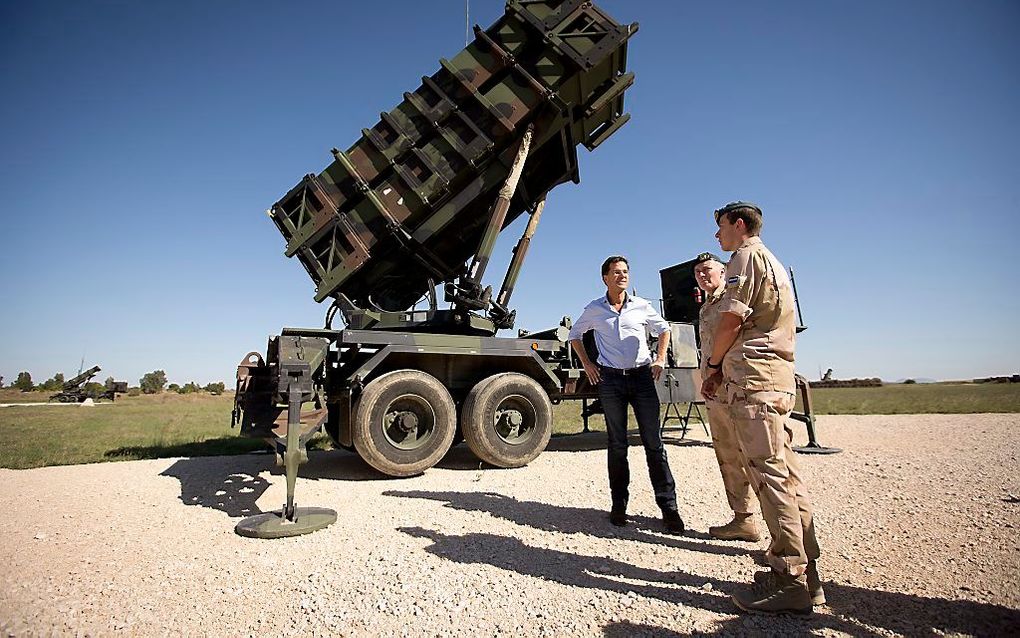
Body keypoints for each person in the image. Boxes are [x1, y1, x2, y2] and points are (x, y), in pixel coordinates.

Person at [700, 202, 823, 614]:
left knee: (769, 478)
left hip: (753, 382)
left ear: (739, 225)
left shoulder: (745, 257)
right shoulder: (772, 261)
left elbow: (731, 320)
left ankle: (788, 578)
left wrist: (714, 366)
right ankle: (810, 576)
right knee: (784, 473)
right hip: (771, 379)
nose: (717, 237)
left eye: (720, 228)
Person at [568, 255, 685, 534]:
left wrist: (659, 358)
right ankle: (618, 505)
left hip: (642, 378)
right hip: (610, 381)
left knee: (654, 444)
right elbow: (574, 335)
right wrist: (587, 363)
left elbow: (664, 329)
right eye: (616, 272)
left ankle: (669, 508)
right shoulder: (595, 309)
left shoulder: (641, 306)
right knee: (617, 444)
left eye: (625, 272)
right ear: (605, 278)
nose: (622, 276)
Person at [693, 252, 760, 543]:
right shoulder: (706, 306)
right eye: (697, 272)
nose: (702, 275)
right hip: (716, 389)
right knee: (727, 453)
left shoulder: (733, 298)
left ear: (723, 270)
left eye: (708, 270)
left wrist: (717, 371)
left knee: (755, 455)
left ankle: (784, 536)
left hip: (738, 385)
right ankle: (743, 518)